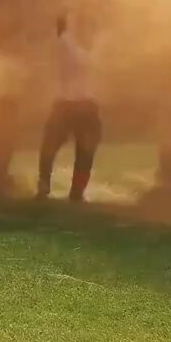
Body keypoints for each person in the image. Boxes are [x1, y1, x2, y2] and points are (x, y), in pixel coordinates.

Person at [36, 14, 102, 202]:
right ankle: (71, 192)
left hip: (73, 104)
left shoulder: (69, 43)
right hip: (75, 103)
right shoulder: (68, 43)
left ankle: (51, 188)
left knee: (56, 147)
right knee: (82, 151)